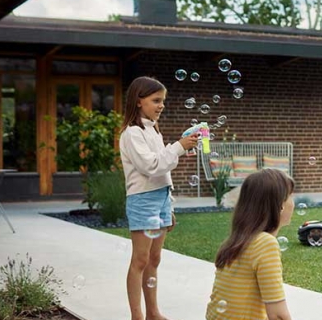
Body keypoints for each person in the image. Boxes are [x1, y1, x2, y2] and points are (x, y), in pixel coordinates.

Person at [120, 76, 199, 320]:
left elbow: (163, 171)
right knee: (140, 260)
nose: (161, 105)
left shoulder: (153, 130)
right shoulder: (132, 133)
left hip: (161, 197)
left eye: (162, 101)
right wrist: (179, 146)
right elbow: (151, 166)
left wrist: (169, 205)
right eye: (156, 100)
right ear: (139, 101)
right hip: (143, 199)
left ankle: (153, 312)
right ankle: (137, 316)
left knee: (154, 259)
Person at [207, 168, 295, 320]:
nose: (293, 202)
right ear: (280, 205)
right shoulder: (266, 243)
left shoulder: (237, 240)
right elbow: (278, 315)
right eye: (290, 196)